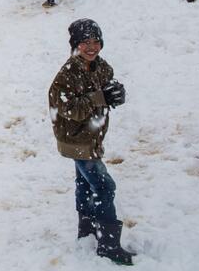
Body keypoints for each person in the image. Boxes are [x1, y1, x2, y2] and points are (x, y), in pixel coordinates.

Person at [48, 19, 135, 266]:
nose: (91, 47)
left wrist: (116, 93)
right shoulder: (66, 75)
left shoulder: (97, 65)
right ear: (75, 45)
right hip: (77, 140)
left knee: (84, 184)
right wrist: (100, 98)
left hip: (90, 137)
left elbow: (107, 82)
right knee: (105, 187)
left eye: (95, 41)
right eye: (85, 42)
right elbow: (69, 109)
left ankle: (86, 230)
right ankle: (108, 246)